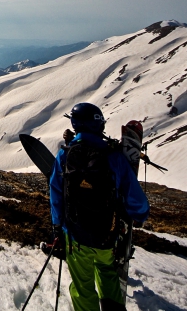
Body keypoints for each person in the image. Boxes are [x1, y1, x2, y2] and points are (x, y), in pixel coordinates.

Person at [49, 103, 149, 311]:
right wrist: (139, 215)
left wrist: (57, 226)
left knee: (82, 286)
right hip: (107, 234)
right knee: (107, 271)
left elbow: (56, 193)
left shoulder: (65, 155)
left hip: (75, 237)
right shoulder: (115, 158)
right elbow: (134, 197)